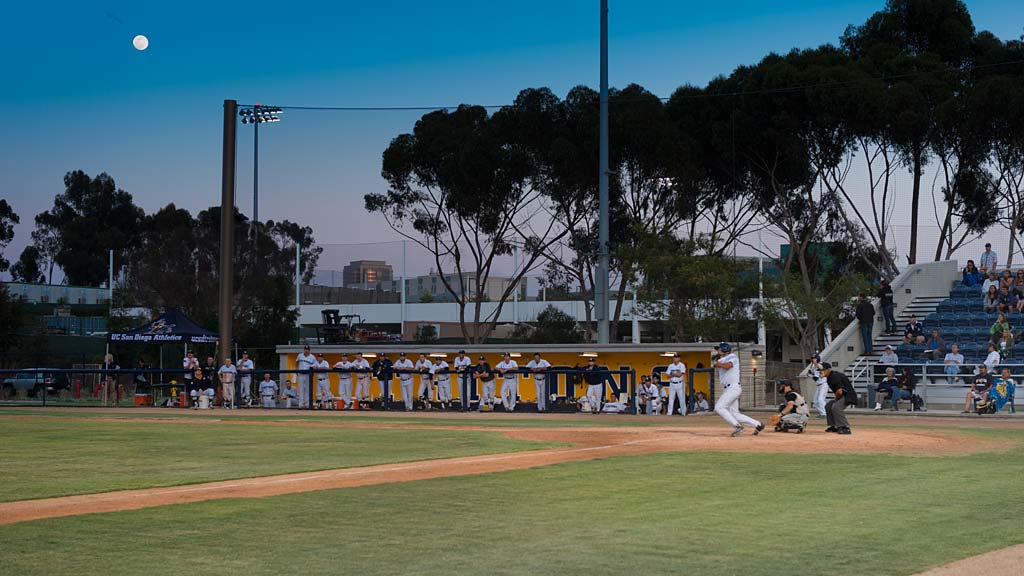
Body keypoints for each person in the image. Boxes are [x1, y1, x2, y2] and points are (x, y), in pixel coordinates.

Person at [712, 343, 764, 436]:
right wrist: (716, 362)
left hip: (733, 387)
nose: (718, 351)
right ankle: (758, 424)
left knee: (719, 407)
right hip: (728, 389)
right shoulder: (721, 359)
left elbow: (728, 366)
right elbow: (717, 365)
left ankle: (737, 426)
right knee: (735, 414)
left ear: (724, 349)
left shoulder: (733, 357)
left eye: (719, 349)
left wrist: (717, 363)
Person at [822, 363, 855, 434]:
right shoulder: (829, 377)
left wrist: (836, 399)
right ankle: (834, 426)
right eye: (820, 370)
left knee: (836, 406)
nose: (821, 371)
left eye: (823, 370)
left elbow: (839, 391)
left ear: (829, 369)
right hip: (843, 395)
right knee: (829, 405)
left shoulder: (834, 376)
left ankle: (845, 427)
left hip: (849, 395)